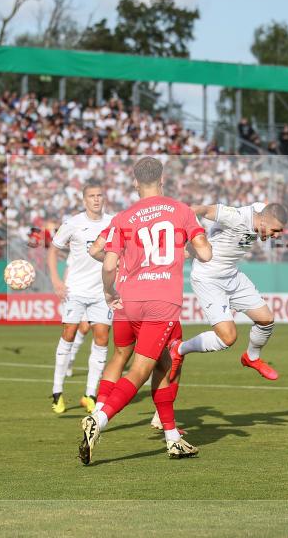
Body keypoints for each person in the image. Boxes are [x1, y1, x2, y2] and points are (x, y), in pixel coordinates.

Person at [78, 157, 212, 465]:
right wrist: (189, 248)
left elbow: (104, 258)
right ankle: (99, 419)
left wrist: (110, 291)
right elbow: (205, 252)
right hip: (161, 301)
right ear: (162, 180)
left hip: (128, 299)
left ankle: (173, 438)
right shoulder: (181, 210)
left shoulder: (123, 217)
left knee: (146, 356)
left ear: (135, 183)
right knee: (143, 368)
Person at [169, 202, 288, 382]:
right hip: (208, 278)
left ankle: (251, 358)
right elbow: (201, 210)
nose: (276, 235)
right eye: (275, 230)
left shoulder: (262, 213)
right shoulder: (236, 217)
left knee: (266, 320)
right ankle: (179, 349)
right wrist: (177, 227)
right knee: (228, 337)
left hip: (232, 275)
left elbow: (268, 207)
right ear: (264, 221)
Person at [46, 179, 113, 414]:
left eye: (99, 195)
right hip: (75, 289)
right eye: (92, 196)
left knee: (102, 338)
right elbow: (53, 250)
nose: (96, 199)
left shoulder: (113, 223)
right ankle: (57, 392)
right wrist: (55, 280)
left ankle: (90, 394)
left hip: (101, 292)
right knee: (69, 333)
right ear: (84, 200)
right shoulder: (73, 224)